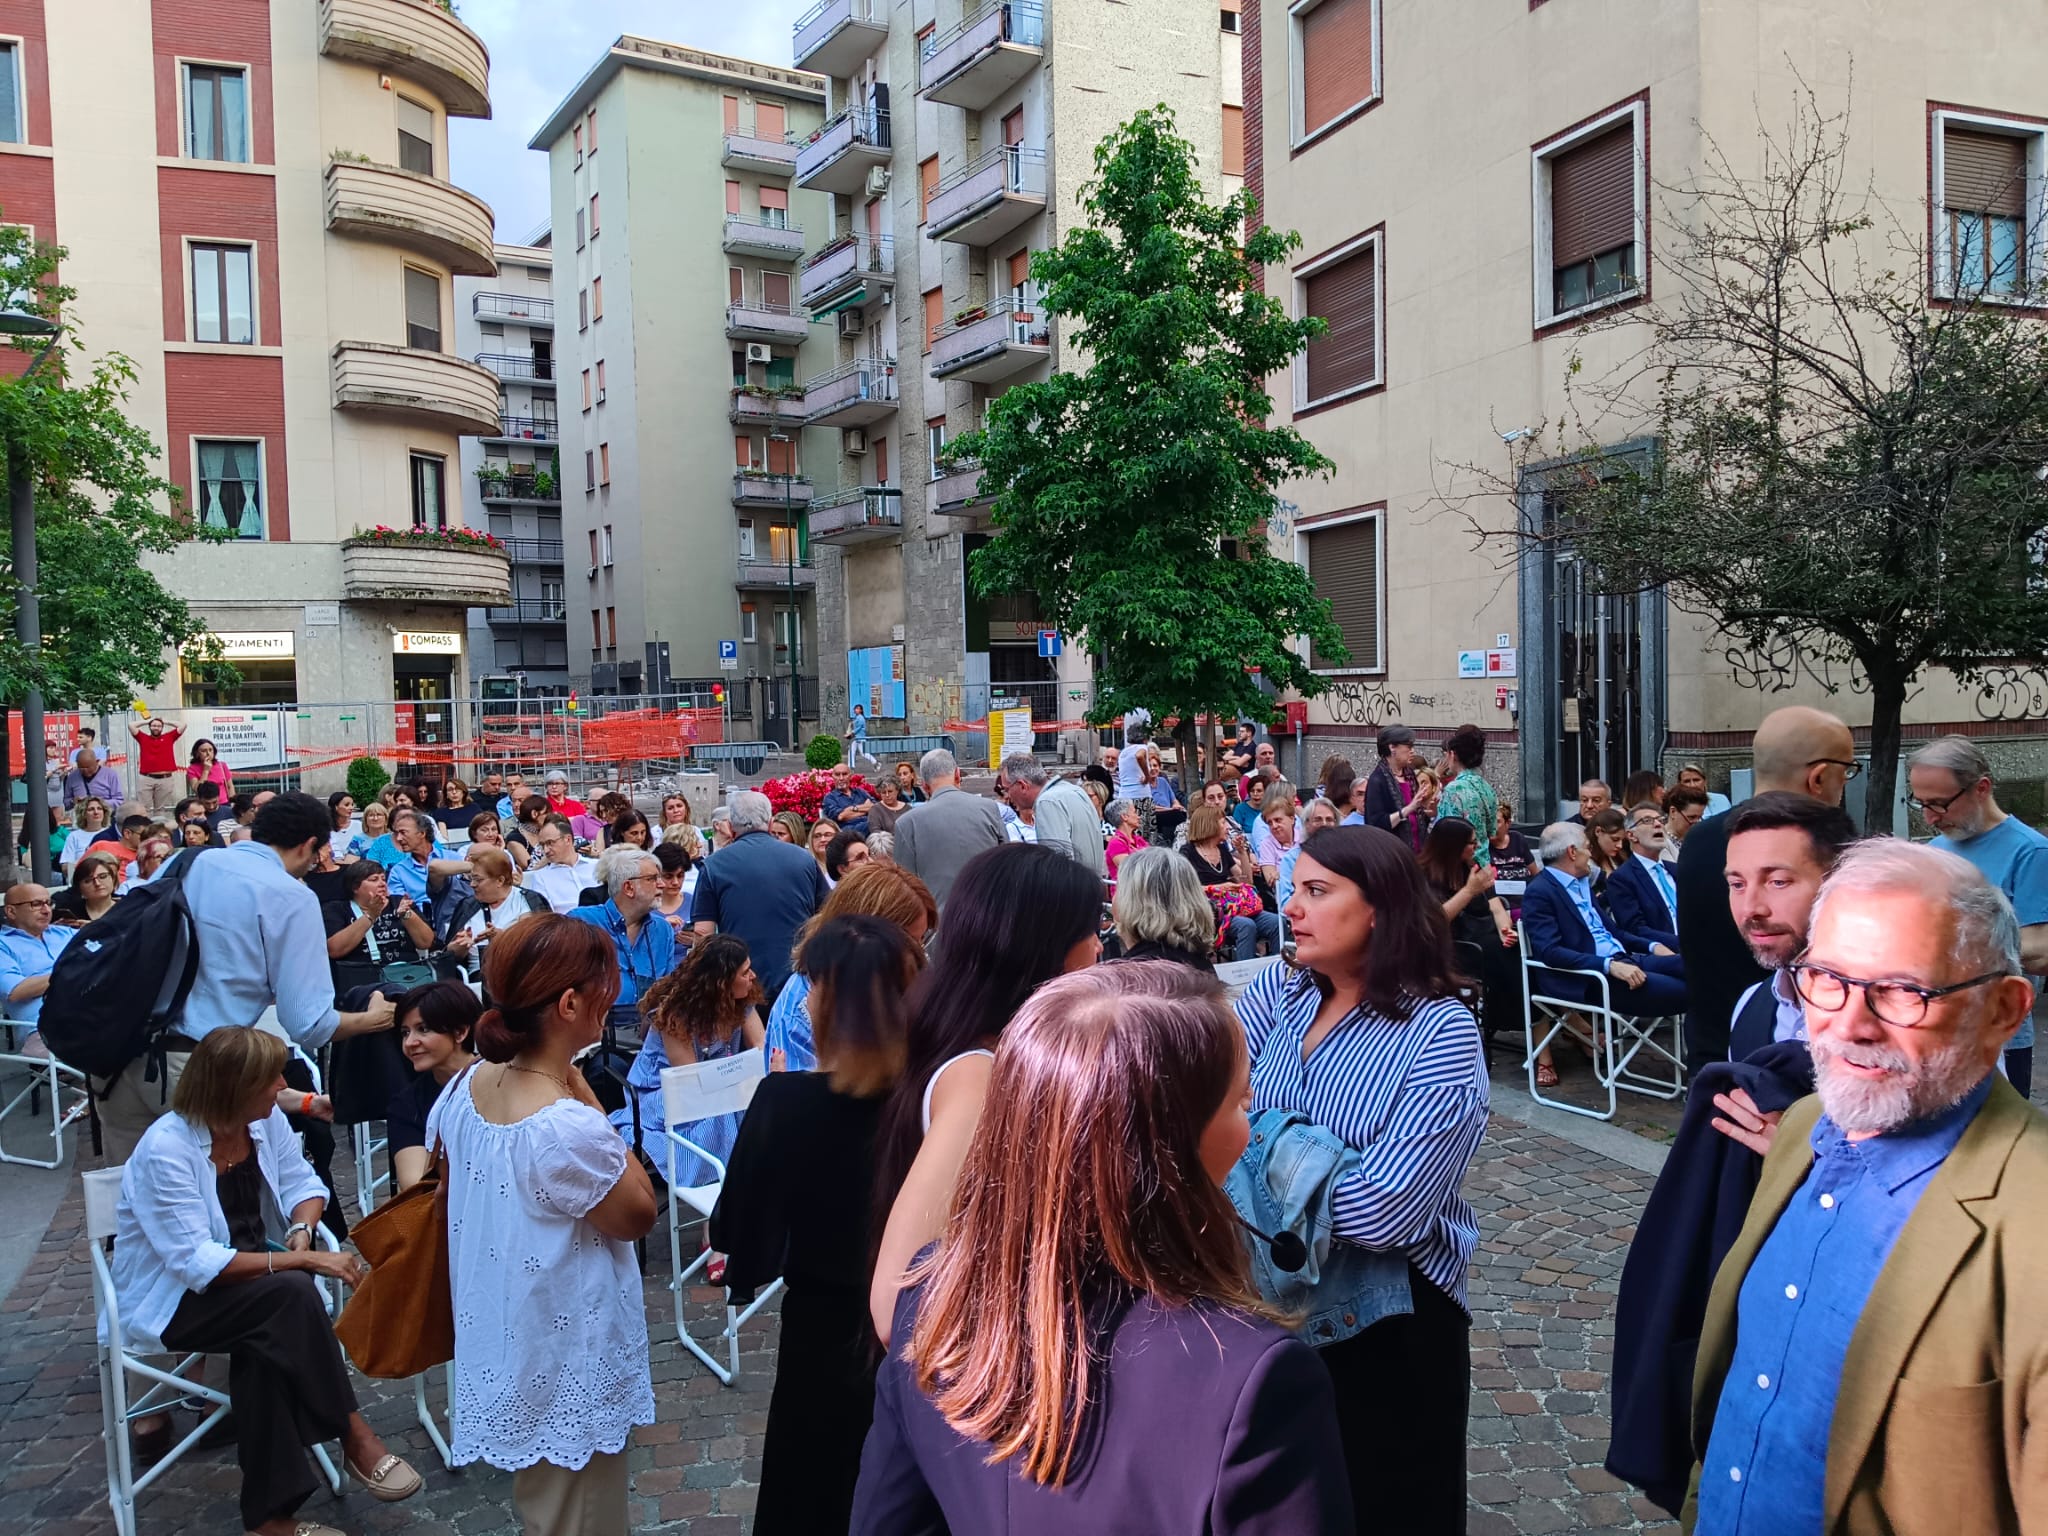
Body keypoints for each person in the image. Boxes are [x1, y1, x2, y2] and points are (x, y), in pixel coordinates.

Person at [856, 961, 1355, 1533]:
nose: (1252, 1125)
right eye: (1242, 1104)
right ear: (1172, 1146)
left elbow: (886, 1521)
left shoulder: (928, 1297)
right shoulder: (1255, 1380)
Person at [1686, 840, 2046, 1535]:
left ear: (2004, 1010)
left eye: (1902, 991)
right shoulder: (1802, 1130)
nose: (1849, 1023)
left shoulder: (2034, 1228)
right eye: (1828, 978)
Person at [1233, 826, 1485, 1533]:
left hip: (1392, 1327)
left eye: (1318, 891)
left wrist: (1259, 1138)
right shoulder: (1282, 994)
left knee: (1388, 1510)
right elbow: (1199, 1102)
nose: (1293, 908)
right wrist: (1316, 1155)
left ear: (1380, 908)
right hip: (1274, 1307)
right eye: (1294, 890)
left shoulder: (1439, 1032)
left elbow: (1385, 1215)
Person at [111, 1027, 420, 1531]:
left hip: (262, 1294)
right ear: (231, 1088)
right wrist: (303, 1261)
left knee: (269, 1339)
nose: (281, 1084)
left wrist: (301, 1230)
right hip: (178, 1300)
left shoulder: (264, 1120)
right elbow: (196, 1264)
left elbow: (305, 1184)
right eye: (269, 1077)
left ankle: (271, 1518)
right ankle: (352, 1432)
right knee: (289, 1298)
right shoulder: (166, 1149)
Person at [428, 915, 658, 1535]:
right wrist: (584, 1096)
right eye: (606, 986)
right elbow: (638, 1210)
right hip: (565, 1348)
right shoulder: (562, 1125)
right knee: (579, 1515)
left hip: (507, 1328)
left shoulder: (469, 1083)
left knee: (552, 1508)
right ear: (570, 1003)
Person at [712, 919, 916, 1534]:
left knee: (812, 1489)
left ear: (826, 1001)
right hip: (920, 1328)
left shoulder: (786, 1101)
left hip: (823, 1329)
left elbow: (736, 1230)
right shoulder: (937, 1103)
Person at [870, 844, 1105, 1343]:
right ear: (1044, 950)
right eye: (1090, 933)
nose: (1100, 949)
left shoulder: (988, 1052)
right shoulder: (978, 1078)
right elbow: (895, 1304)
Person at [93, 793, 398, 1164]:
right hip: (196, 1064)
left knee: (129, 1199)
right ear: (310, 847)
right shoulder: (292, 896)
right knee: (214, 1204)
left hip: (116, 1050)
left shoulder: (189, 861)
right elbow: (308, 1023)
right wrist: (373, 1019)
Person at [1676, 705, 1854, 1075]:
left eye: (1777, 881)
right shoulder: (1837, 850)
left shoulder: (1699, 840)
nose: (1752, 906)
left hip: (1716, 1054)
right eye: (1737, 883)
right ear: (1819, 777)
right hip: (1794, 1064)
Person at [1907, 734, 2048, 1096]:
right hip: (1932, 1029)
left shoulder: (2031, 851)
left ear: (1981, 788)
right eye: (1920, 803)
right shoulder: (1934, 851)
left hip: (1998, 1035)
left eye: (1939, 804)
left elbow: (2040, 948)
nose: (1929, 817)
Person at [761, 861, 937, 1073]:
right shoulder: (802, 1011)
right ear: (862, 934)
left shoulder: (886, 985)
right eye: (910, 942)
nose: (919, 956)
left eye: (922, 940)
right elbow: (806, 1100)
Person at [612, 934, 763, 1174]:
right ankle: (718, 1174)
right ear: (720, 983)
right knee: (721, 1113)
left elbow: (760, 1047)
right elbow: (690, 1080)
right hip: (665, 1088)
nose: (752, 976)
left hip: (719, 1080)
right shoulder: (676, 1016)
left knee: (758, 1100)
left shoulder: (741, 1001)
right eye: (745, 973)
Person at [1525, 822, 1688, 1022]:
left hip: (1625, 960)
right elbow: (1550, 952)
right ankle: (1707, 1050)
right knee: (1690, 991)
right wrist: (1608, 965)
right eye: (1587, 848)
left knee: (1703, 967)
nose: (1591, 855)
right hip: (1591, 976)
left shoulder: (1582, 884)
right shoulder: (1540, 891)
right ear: (1572, 852)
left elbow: (1615, 933)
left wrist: (1653, 946)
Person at [692, 789, 830, 1003]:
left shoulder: (713, 866)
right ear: (770, 821)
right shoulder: (803, 859)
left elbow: (703, 933)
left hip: (740, 986)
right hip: (799, 984)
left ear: (729, 826)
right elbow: (828, 916)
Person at [387, 980, 481, 1189]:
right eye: (405, 1032)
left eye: (423, 1029)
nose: (410, 1042)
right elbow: (416, 1187)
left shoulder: (503, 1080)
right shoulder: (408, 1104)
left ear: (460, 1032)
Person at [894, 748, 1007, 908]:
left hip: (939, 924)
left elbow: (905, 889)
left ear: (925, 786)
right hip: (988, 917)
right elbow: (1008, 865)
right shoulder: (989, 808)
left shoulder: (907, 823)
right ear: (957, 775)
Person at [437, 847, 549, 990]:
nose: (472, 884)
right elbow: (450, 959)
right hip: (478, 977)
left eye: (478, 879)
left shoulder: (527, 901)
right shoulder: (467, 906)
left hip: (522, 975)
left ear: (500, 880)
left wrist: (504, 939)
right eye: (472, 879)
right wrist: (458, 948)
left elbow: (540, 946)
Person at [1180, 804, 1279, 962]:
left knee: (1275, 921)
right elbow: (1185, 889)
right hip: (1209, 911)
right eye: (1223, 823)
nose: (1227, 827)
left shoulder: (1222, 849)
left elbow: (1247, 881)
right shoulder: (1188, 852)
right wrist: (1220, 887)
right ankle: (1246, 974)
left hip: (1235, 906)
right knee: (1246, 926)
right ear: (1210, 825)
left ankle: (1276, 970)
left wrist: (1242, 853)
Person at [322, 857, 435, 987]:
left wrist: (407, 916)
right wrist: (370, 916)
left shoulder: (398, 902)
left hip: (408, 976)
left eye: (383, 879)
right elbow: (335, 950)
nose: (382, 884)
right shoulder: (337, 909)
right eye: (374, 879)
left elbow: (426, 942)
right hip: (364, 980)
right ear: (355, 887)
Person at [1110, 846, 1217, 970]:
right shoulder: (1201, 966)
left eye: (1119, 889)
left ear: (1133, 902)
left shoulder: (1124, 981)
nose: (1114, 898)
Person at [0, 882, 73, 1055]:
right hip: (48, 1027)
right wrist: (73, 972)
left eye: (49, 903)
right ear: (11, 911)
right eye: (36, 904)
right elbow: (15, 990)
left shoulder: (65, 933)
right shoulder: (3, 945)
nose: (47, 910)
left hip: (98, 1013)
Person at [1604, 802, 1684, 953]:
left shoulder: (1677, 870)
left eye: (1661, 820)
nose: (1658, 824)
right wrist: (1685, 942)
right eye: (1647, 821)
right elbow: (1635, 929)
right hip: (1664, 953)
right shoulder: (1621, 879)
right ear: (1631, 835)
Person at [378, 808, 468, 920]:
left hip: (456, 919)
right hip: (420, 922)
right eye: (396, 833)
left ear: (422, 833)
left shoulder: (453, 858)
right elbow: (399, 906)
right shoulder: (398, 871)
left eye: (403, 832)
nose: (398, 838)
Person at [1432, 724, 1499, 870]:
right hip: (1484, 865)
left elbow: (1446, 835)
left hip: (1460, 868)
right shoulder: (1487, 788)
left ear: (1453, 754)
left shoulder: (1453, 790)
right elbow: (1492, 831)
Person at [1027, 761, 1108, 876]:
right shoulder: (1075, 792)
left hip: (1072, 885)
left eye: (1008, 788)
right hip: (1089, 881)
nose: (1008, 794)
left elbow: (1057, 860)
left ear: (1022, 785)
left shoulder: (1048, 801)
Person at [523, 813, 601, 914]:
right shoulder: (541, 877)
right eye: (543, 845)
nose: (546, 850)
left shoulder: (596, 866)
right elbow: (545, 917)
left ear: (568, 840)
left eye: (550, 843)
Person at [126, 716, 186, 813]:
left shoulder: (169, 737)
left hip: (165, 779)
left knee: (160, 809)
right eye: (153, 725)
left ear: (162, 728)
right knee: (144, 808)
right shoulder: (143, 738)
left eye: (159, 726)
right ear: (149, 727)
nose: (156, 728)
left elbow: (183, 725)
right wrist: (147, 721)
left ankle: (158, 826)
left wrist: (165, 721)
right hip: (146, 778)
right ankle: (145, 827)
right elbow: (131, 725)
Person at [51, 851, 121, 925]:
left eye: (103, 876)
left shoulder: (127, 905)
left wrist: (91, 927)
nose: (97, 883)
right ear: (79, 887)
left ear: (113, 879)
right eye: (88, 880)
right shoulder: (70, 909)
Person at [649, 840, 695, 935]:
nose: (675, 882)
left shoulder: (694, 902)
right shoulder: (643, 907)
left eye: (680, 875)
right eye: (668, 877)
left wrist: (696, 941)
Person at [59, 797, 113, 877]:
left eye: (99, 808)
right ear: (83, 814)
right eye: (91, 809)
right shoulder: (74, 836)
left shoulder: (111, 833)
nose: (96, 812)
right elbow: (65, 868)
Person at [63, 746, 123, 814]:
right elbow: (66, 802)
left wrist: (99, 803)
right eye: (81, 768)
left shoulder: (110, 775)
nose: (85, 770)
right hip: (81, 819)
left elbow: (119, 801)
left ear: (97, 762)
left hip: (105, 818)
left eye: (88, 767)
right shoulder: (72, 777)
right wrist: (73, 801)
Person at [1146, 746, 1186, 845]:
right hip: (1154, 816)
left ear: (1159, 768)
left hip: (1169, 813)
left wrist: (1176, 805)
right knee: (1175, 815)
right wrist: (1170, 809)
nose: (1153, 769)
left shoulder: (1163, 781)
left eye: (1155, 766)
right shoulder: (1144, 785)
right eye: (1149, 766)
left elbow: (1174, 799)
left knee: (1181, 814)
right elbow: (1150, 807)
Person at [1661, 784, 1709, 865]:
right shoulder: (1659, 842)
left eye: (1699, 817)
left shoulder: (1699, 840)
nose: (1697, 823)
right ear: (1673, 812)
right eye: (1691, 817)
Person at [1103, 797, 1144, 891]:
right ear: (1124, 816)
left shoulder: (1139, 840)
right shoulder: (1115, 843)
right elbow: (1130, 869)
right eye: (1134, 812)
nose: (1139, 816)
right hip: (1125, 893)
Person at [185, 737, 233, 802]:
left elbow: (230, 786)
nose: (208, 753)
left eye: (210, 750)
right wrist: (206, 770)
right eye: (204, 751)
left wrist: (232, 802)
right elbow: (196, 789)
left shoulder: (222, 765)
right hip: (205, 804)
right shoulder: (192, 769)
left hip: (223, 803)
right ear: (197, 753)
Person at [846, 702, 879, 767]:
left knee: (863, 753)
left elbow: (859, 728)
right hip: (857, 738)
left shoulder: (860, 718)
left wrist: (850, 734)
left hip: (860, 738)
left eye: (858, 709)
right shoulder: (857, 717)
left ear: (861, 710)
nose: (856, 710)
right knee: (851, 751)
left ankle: (875, 762)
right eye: (856, 709)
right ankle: (851, 766)